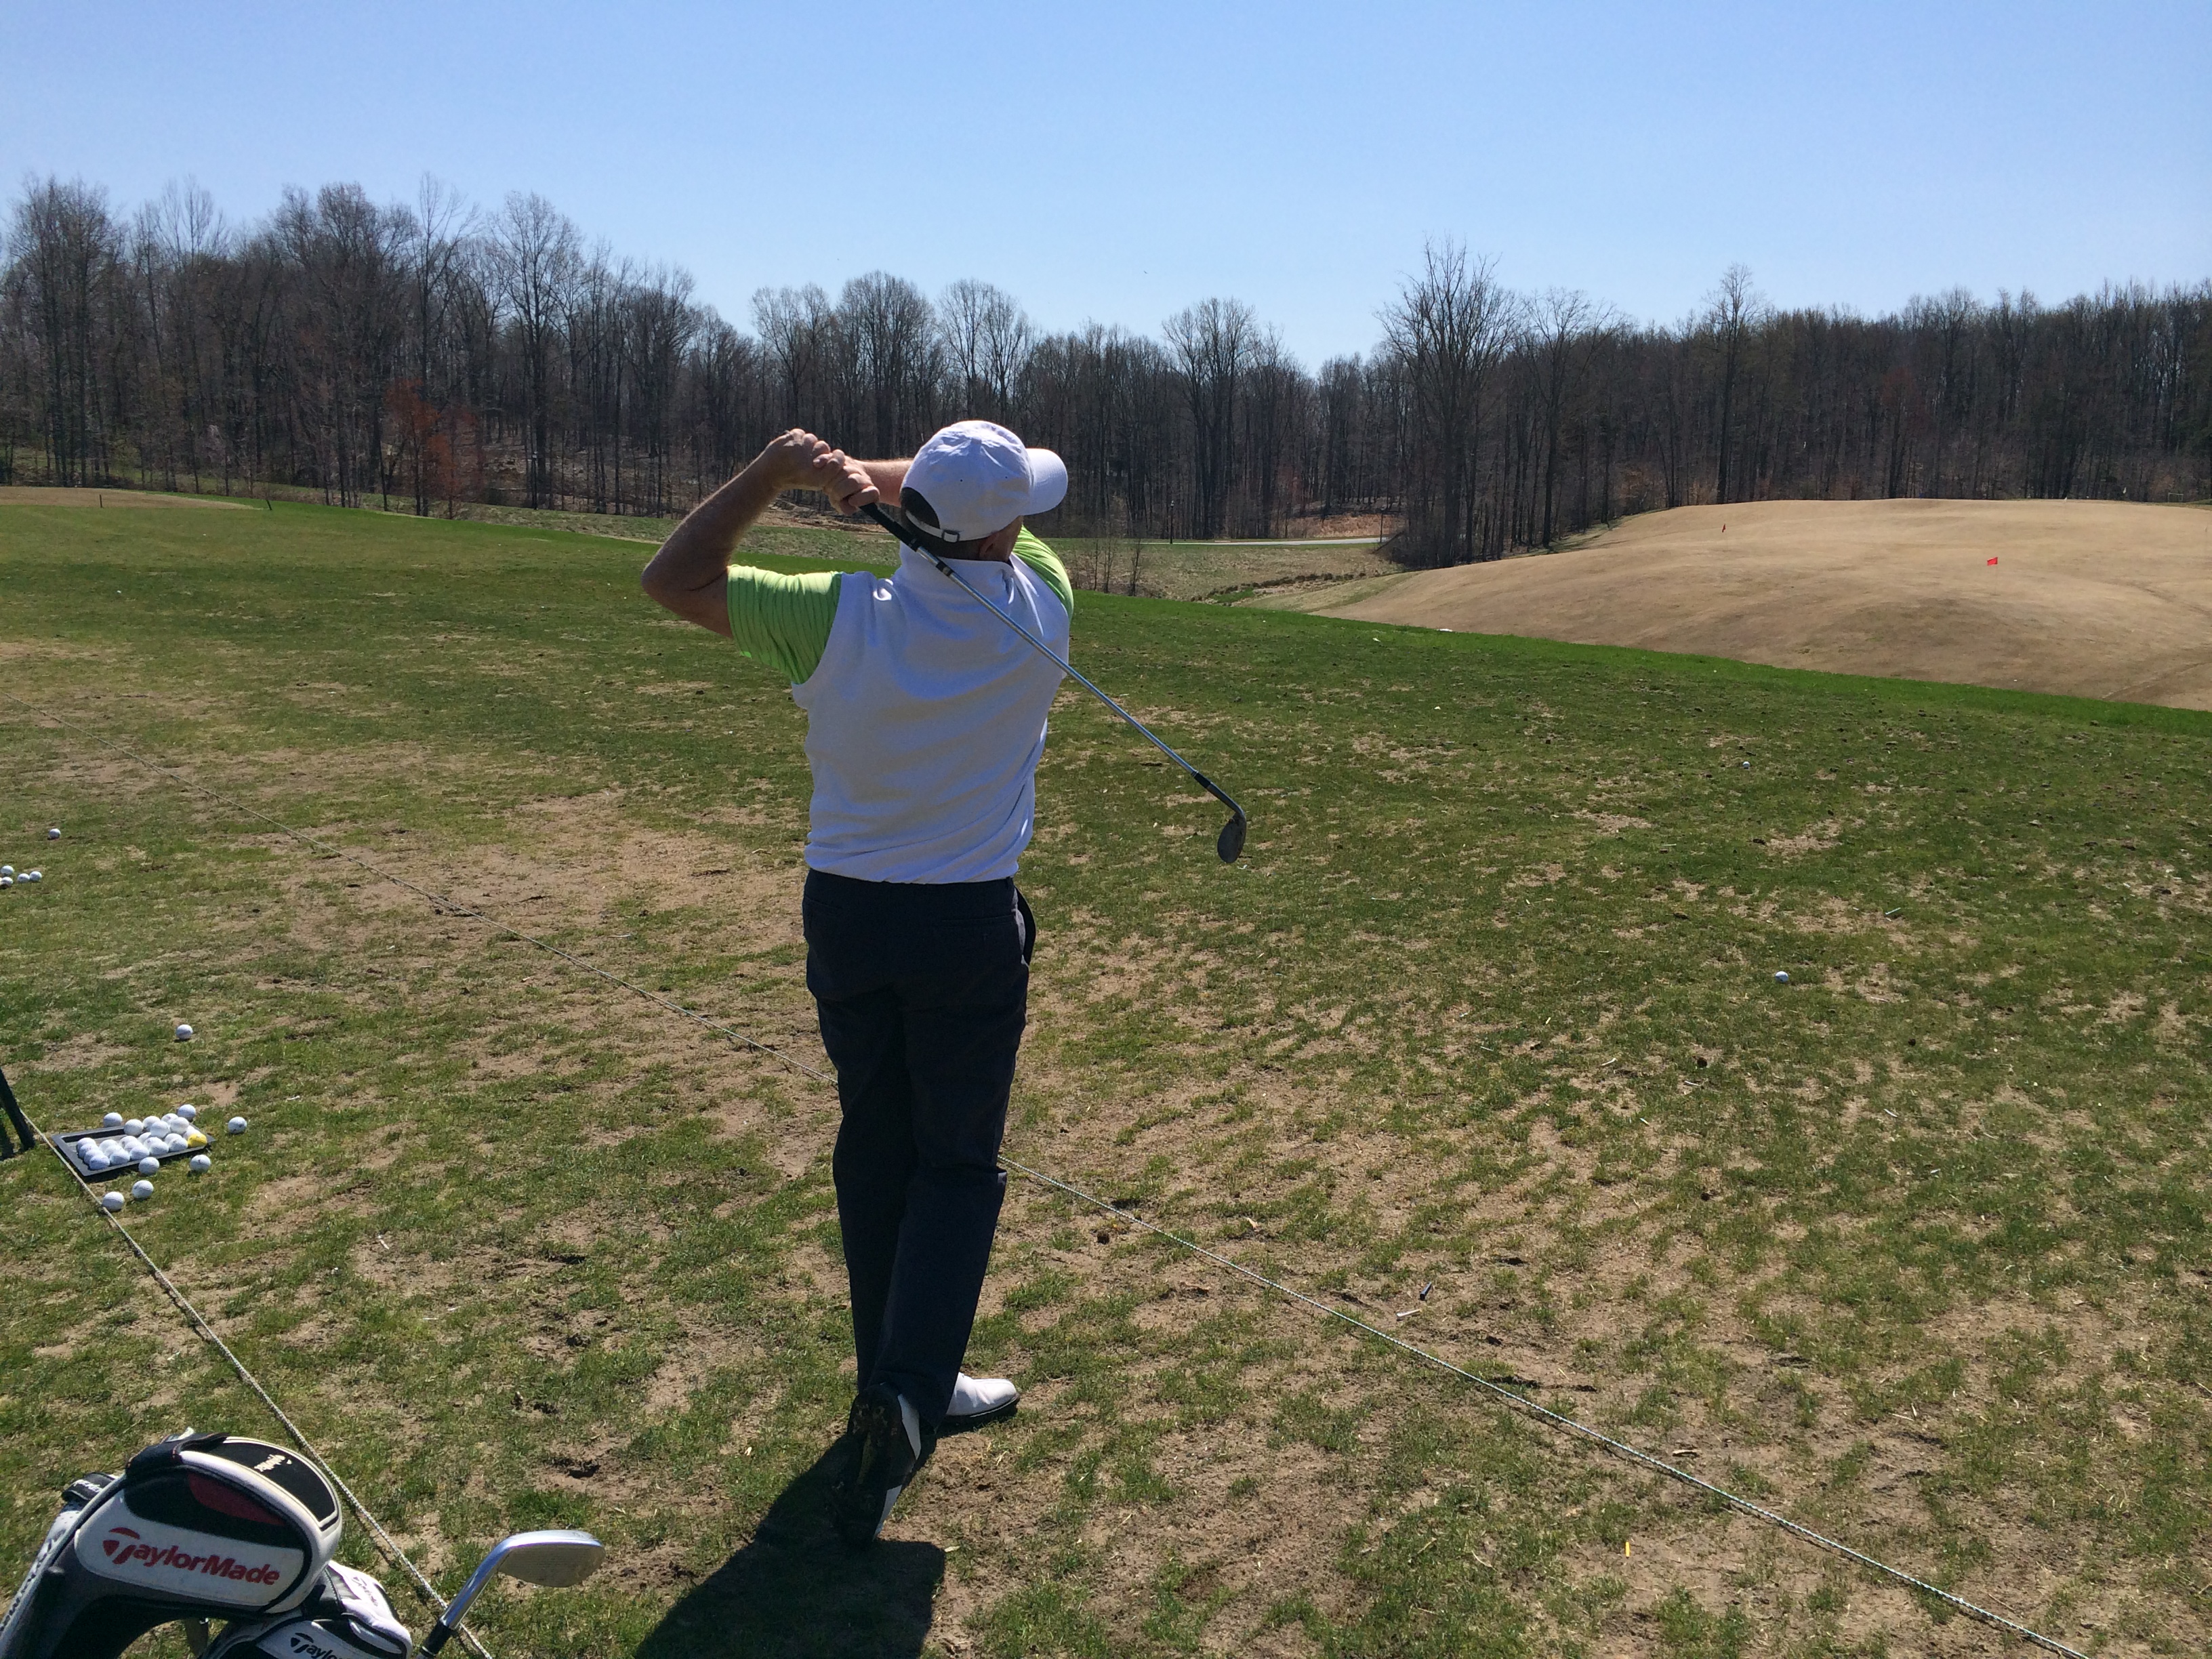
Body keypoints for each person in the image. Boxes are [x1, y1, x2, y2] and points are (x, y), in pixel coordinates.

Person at [640, 419, 1072, 1547]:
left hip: (848, 916)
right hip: (968, 925)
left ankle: (896, 1384)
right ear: (1008, 531)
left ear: (912, 512)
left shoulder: (833, 614)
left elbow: (673, 575)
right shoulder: (1043, 603)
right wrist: (877, 487)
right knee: (956, 1167)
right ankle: (910, 1391)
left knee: (876, 1146)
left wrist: (780, 472)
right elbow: (963, 519)